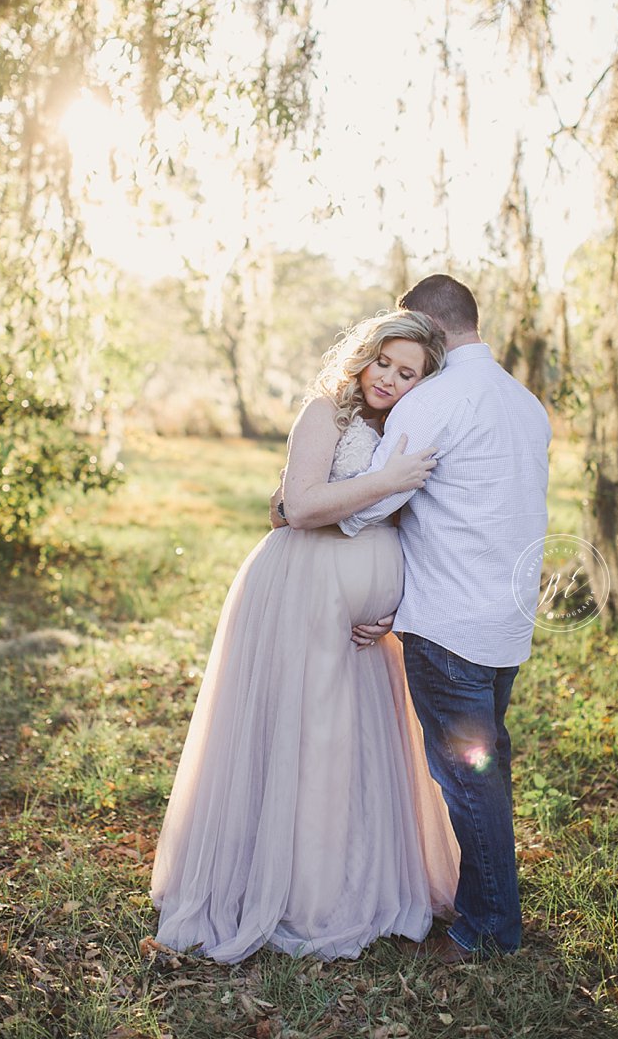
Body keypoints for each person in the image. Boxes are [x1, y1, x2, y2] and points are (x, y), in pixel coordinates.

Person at [150, 310, 460, 963]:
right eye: (385, 362)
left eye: (408, 373)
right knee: (303, 733)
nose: (390, 379)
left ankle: (350, 882)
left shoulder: (409, 426)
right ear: (364, 356)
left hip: (370, 627)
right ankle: (291, 891)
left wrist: (399, 607)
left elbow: (421, 530)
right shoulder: (325, 414)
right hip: (299, 594)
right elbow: (301, 506)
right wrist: (386, 480)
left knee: (350, 744)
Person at [336, 274, 552, 963]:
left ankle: (489, 930)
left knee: (468, 779)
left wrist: (305, 501)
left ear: (422, 324)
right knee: (484, 774)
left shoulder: (433, 399)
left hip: (448, 625)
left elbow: (364, 506)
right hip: (504, 624)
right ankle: (490, 911)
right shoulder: (527, 406)